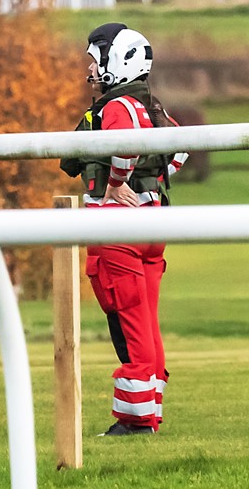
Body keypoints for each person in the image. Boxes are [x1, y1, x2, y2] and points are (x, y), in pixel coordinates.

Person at [60, 23, 189, 436]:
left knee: (130, 323)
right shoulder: (151, 105)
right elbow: (181, 148)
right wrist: (150, 182)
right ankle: (148, 412)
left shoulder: (117, 107)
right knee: (146, 321)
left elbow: (125, 146)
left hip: (119, 230)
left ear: (115, 61)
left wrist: (118, 183)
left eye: (94, 61)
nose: (90, 70)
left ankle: (135, 421)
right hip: (151, 225)